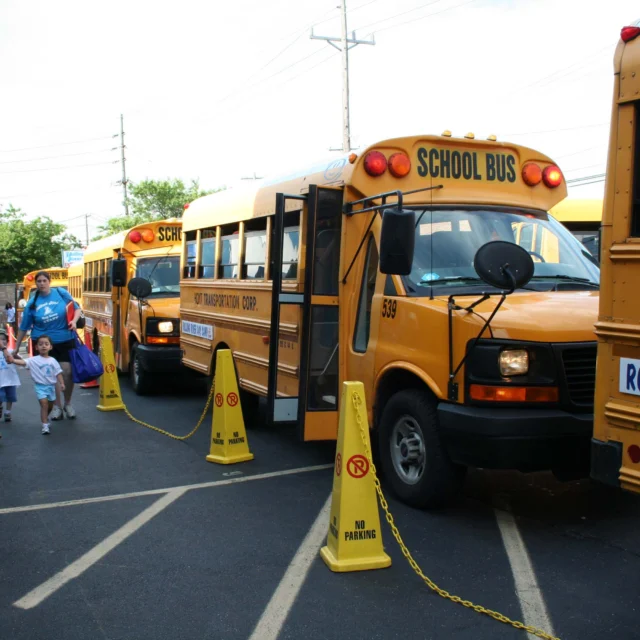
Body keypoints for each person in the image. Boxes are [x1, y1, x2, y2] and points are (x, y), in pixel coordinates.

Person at [14, 271, 81, 421]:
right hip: (43, 342)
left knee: (67, 372)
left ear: (49, 282)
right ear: (36, 284)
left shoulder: (61, 293)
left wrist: (74, 321)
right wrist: (17, 347)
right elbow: (24, 327)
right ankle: (57, 406)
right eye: (39, 281)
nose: (42, 284)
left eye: (44, 281)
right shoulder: (32, 302)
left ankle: (68, 404)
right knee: (52, 375)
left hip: (65, 339)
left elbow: (76, 309)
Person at [10, 335, 64, 435]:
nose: (43, 346)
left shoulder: (53, 361)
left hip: (51, 387)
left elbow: (58, 373)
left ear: (50, 347)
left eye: (46, 344)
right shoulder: (33, 360)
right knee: (44, 404)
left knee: (50, 406)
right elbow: (23, 362)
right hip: (40, 386)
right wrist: (13, 360)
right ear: (36, 347)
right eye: (40, 344)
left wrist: (62, 383)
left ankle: (45, 418)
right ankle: (45, 425)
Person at [0, 328, 20, 433]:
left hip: (11, 380)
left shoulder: (11, 351)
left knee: (10, 397)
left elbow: (20, 359)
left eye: (3, 340)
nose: (1, 342)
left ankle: (8, 412)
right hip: (0, 381)